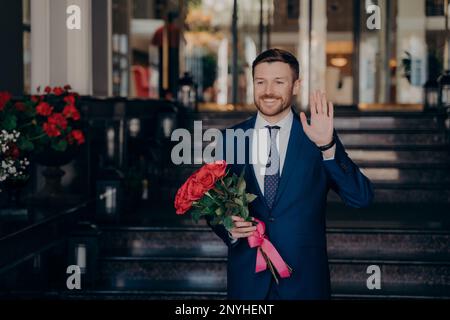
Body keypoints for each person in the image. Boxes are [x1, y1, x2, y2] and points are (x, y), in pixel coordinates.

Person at [207, 48, 374, 300]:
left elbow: (361, 198)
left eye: (279, 82)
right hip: (248, 284)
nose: (268, 91)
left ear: (296, 86)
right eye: (260, 81)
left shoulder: (317, 136)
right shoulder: (230, 139)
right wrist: (229, 229)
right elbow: (213, 206)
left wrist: (328, 148)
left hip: (305, 283)